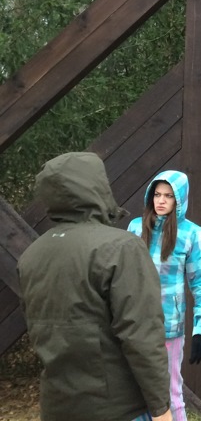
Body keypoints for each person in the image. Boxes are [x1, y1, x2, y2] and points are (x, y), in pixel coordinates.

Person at [17, 151, 173, 421]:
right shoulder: (121, 248)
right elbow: (141, 334)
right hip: (119, 410)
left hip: (57, 408)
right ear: (97, 188)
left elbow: (38, 328)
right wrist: (161, 409)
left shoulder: (32, 254)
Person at [128, 169, 201, 421]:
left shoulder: (191, 233)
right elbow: (121, 278)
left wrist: (200, 331)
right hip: (134, 325)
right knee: (134, 393)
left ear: (179, 200)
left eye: (168, 196)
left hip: (169, 328)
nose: (161, 200)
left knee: (170, 392)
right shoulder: (134, 228)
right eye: (157, 194)